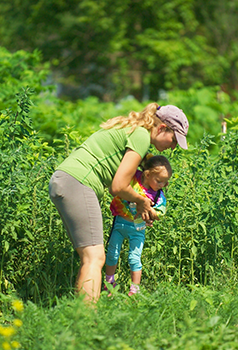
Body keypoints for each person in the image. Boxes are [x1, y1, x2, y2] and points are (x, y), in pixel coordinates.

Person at [49, 103, 189, 302]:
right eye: (174, 139)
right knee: (95, 258)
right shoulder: (141, 136)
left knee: (89, 257)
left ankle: (82, 318)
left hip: (65, 181)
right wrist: (142, 201)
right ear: (162, 128)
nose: (173, 147)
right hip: (78, 183)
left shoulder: (133, 131)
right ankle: (85, 322)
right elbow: (119, 186)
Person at [105, 154, 172, 296]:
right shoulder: (134, 177)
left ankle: (134, 290)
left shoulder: (157, 195)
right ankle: (109, 284)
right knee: (112, 254)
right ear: (147, 175)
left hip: (138, 229)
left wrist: (152, 212)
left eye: (165, 182)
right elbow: (123, 172)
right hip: (119, 223)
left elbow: (161, 211)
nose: (163, 185)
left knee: (134, 258)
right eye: (160, 181)